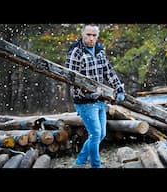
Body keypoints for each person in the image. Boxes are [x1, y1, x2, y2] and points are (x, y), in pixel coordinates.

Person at [65, 24, 125, 168]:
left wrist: (119, 88)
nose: (91, 38)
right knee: (96, 134)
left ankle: (79, 162)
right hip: (84, 101)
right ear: (82, 34)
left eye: (94, 35)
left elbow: (108, 72)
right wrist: (87, 94)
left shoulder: (99, 51)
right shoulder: (76, 52)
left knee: (101, 134)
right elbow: (71, 80)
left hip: (100, 99)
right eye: (88, 35)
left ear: (97, 36)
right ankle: (96, 165)